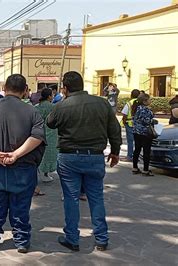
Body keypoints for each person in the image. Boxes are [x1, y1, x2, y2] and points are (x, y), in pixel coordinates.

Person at [47, 71, 121, 252]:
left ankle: (72, 238)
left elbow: (50, 123)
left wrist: (61, 103)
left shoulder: (61, 106)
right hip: (95, 156)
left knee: (71, 199)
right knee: (96, 198)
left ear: (65, 88)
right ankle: (102, 239)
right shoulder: (102, 104)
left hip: (69, 157)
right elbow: (114, 129)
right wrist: (115, 152)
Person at [0, 74, 45, 253]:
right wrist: (16, 155)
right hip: (23, 168)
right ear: (25, 90)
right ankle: (21, 241)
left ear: (4, 89)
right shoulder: (32, 111)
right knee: (20, 207)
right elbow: (37, 137)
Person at [35, 88, 57, 184]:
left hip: (38, 132)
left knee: (40, 153)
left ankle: (40, 172)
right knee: (49, 154)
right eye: (52, 95)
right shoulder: (53, 107)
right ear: (49, 96)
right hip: (51, 133)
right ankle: (45, 173)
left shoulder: (36, 107)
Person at [132, 93, 155, 176]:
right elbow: (147, 121)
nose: (150, 101)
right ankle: (146, 170)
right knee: (146, 151)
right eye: (149, 99)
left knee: (137, 149)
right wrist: (154, 121)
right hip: (145, 133)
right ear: (145, 101)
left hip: (136, 131)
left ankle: (135, 167)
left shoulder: (136, 108)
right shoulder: (146, 110)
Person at [121, 89, 141, 161]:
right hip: (139, 124)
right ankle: (137, 156)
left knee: (130, 141)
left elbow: (124, 114)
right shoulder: (141, 102)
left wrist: (124, 122)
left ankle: (130, 156)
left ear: (131, 95)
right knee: (138, 141)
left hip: (129, 124)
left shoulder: (129, 103)